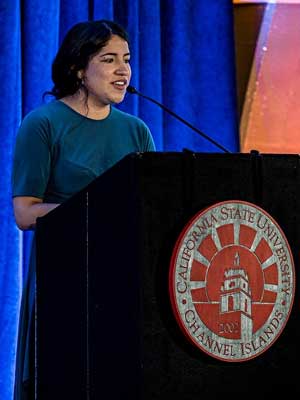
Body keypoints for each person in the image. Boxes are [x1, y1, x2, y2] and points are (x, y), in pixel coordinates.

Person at [12, 19, 156, 399]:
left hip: (124, 278)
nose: (123, 70)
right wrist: (95, 211)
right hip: (65, 274)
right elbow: (25, 213)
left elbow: (151, 208)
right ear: (78, 68)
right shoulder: (42, 124)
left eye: (126, 59)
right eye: (109, 59)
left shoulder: (137, 131)